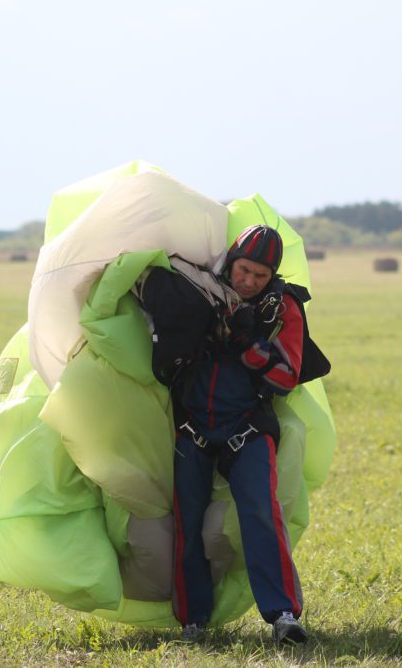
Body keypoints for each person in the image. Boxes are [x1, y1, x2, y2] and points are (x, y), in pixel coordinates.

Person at [168, 225, 314, 645]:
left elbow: (286, 376)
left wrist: (248, 343)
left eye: (259, 276)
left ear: (272, 277)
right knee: (186, 521)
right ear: (230, 263)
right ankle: (192, 620)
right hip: (191, 428)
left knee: (261, 515)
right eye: (243, 271)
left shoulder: (282, 307)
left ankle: (283, 615)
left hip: (248, 429)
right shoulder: (199, 292)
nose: (248, 282)